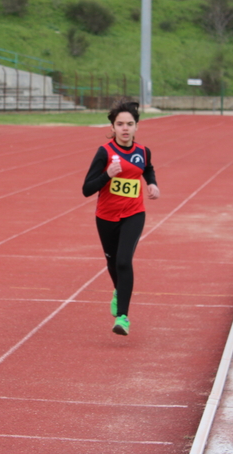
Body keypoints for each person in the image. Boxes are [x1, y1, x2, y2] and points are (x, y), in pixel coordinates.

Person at [82, 101, 159, 336]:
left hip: (134, 213)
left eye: (130, 124)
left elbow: (147, 168)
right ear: (113, 127)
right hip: (106, 216)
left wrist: (152, 183)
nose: (125, 128)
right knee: (113, 263)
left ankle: (123, 317)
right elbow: (87, 189)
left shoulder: (143, 151)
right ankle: (119, 290)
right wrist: (107, 175)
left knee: (124, 261)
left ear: (137, 127)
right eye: (120, 124)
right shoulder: (104, 152)